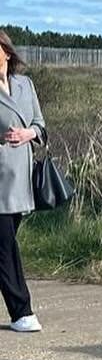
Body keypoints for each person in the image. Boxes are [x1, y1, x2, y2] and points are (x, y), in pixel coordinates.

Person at [0, 29, 46, 333]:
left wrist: (29, 133)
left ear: (6, 52)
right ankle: (21, 311)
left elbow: (41, 125)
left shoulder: (25, 85)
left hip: (21, 180)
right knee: (3, 246)